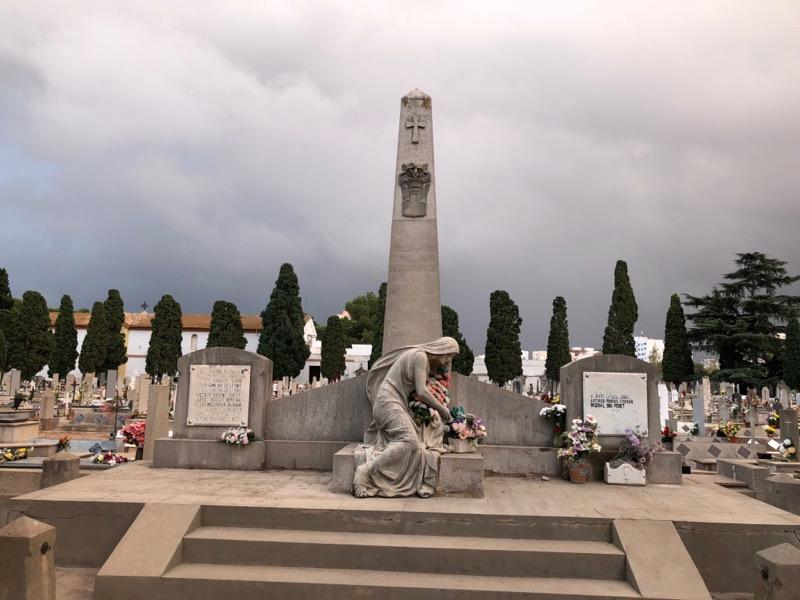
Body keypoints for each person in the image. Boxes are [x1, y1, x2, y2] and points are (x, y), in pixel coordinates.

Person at [353, 336, 459, 498]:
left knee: (417, 445)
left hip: (398, 406)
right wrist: (442, 409)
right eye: (450, 355)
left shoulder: (424, 359)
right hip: (387, 404)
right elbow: (422, 392)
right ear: (442, 350)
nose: (448, 360)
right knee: (410, 441)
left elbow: (444, 378)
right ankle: (365, 471)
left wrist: (447, 366)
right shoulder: (420, 356)